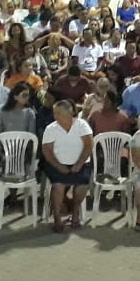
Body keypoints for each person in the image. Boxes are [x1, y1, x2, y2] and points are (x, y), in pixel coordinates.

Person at [41, 99, 94, 232]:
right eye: (55, 113)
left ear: (67, 114)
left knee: (82, 185)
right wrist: (59, 166)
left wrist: (79, 163)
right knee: (58, 185)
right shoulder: (51, 128)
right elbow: (47, 151)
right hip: (57, 163)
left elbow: (88, 145)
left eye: (58, 113)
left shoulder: (82, 125)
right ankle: (57, 217)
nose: (55, 116)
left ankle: (75, 212)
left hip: (80, 162)